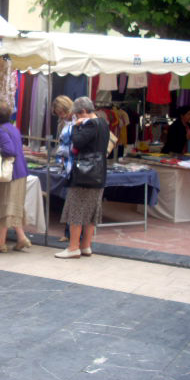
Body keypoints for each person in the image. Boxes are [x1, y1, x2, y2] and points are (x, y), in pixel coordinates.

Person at [55, 96, 109, 259]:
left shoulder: (89, 124)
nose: (77, 119)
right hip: (99, 173)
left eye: (77, 115)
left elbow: (77, 142)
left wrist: (76, 127)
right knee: (91, 212)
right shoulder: (103, 123)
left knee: (76, 210)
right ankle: (85, 246)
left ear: (83, 112)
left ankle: (73, 247)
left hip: (85, 173)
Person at [0, 101, 31, 253]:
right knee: (12, 207)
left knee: (4, 206)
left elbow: (9, 151)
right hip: (20, 171)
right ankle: (21, 238)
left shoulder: (1, 131)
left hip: (10, 174)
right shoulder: (13, 129)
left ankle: (0, 243)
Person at [52, 95, 74, 243]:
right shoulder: (62, 124)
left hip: (75, 164)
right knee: (69, 200)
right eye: (59, 113)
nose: (61, 116)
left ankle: (70, 233)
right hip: (68, 164)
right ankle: (68, 232)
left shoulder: (78, 121)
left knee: (73, 201)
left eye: (62, 112)